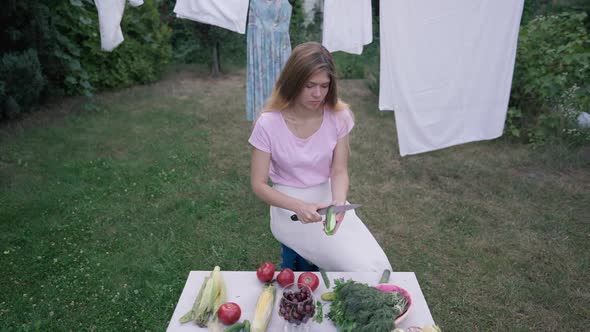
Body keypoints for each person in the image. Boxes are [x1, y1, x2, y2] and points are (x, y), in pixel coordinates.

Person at [248, 42, 392, 272]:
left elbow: (339, 170)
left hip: (327, 200)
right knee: (355, 267)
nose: (318, 94)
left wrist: (339, 202)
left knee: (378, 266)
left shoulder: (339, 116)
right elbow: (258, 184)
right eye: (309, 86)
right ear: (293, 82)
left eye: (325, 86)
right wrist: (298, 206)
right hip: (289, 207)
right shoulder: (268, 123)